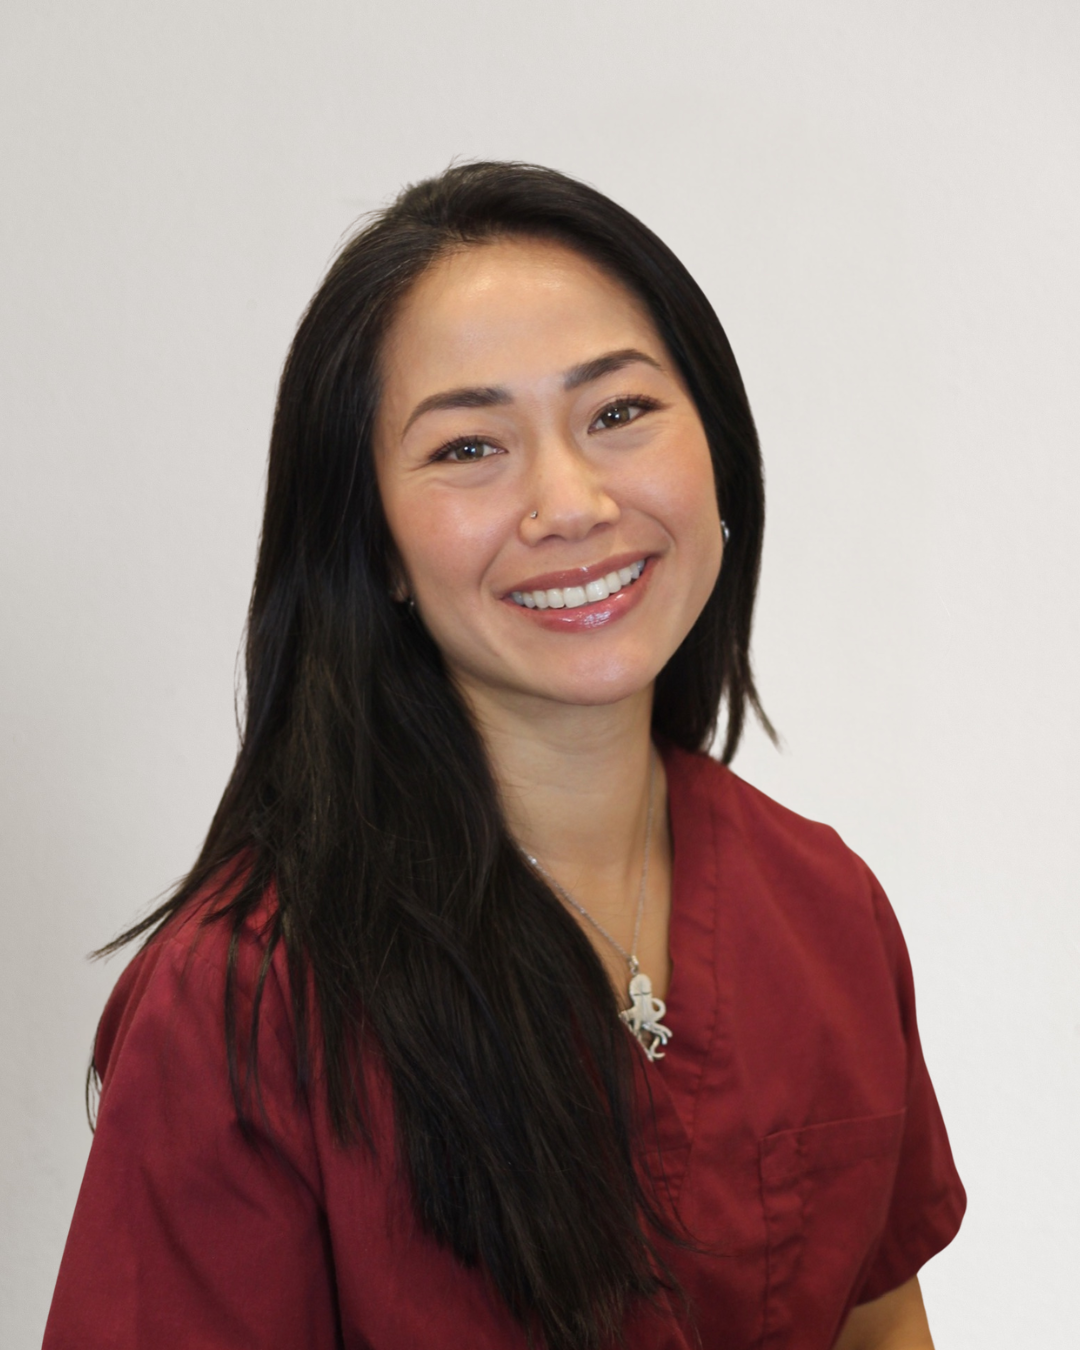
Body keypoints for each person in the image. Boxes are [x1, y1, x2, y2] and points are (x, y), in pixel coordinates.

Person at [44, 162, 965, 1350]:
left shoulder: (826, 907)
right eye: (469, 448)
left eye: (620, 414)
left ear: (719, 452)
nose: (570, 502)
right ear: (370, 541)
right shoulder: (246, 1004)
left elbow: (880, 1329)